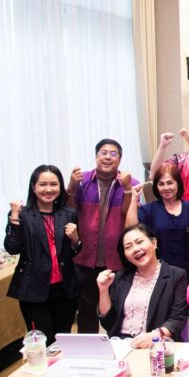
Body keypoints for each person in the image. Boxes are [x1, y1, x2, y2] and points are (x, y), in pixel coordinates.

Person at [125, 164, 189, 340]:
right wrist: (133, 199)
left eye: (170, 183)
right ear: (156, 187)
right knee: (159, 314)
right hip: (158, 274)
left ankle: (185, 349)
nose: (166, 188)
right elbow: (132, 229)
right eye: (161, 184)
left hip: (187, 273)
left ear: (178, 184)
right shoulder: (149, 210)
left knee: (185, 318)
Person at [67, 139, 137, 333]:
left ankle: (118, 345)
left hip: (117, 261)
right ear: (96, 156)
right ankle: (87, 348)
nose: (108, 157)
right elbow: (68, 212)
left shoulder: (130, 183)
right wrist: (71, 187)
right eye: (103, 153)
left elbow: (131, 221)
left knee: (118, 310)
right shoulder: (82, 180)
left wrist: (127, 190)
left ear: (120, 159)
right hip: (85, 258)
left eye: (113, 154)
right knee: (86, 311)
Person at [5, 165, 80, 345]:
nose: (48, 189)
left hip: (65, 289)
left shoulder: (69, 214)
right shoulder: (22, 215)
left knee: (63, 340)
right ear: (33, 187)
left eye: (54, 184)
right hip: (34, 289)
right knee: (42, 342)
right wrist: (14, 216)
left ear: (60, 187)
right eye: (43, 184)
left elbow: (76, 251)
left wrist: (76, 239)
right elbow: (12, 248)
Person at [97, 225, 188, 347]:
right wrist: (103, 290)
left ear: (154, 243)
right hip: (121, 345)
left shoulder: (176, 276)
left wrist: (155, 335)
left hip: (157, 344)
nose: (135, 249)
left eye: (139, 242)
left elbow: (177, 318)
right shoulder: (120, 277)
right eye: (128, 247)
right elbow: (108, 323)